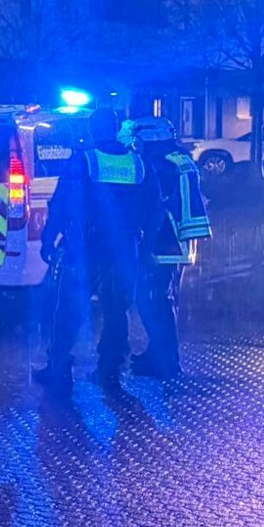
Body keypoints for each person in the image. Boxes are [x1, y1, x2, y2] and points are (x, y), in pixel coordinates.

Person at [35, 110, 156, 392]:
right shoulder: (138, 163)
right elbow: (154, 210)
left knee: (69, 307)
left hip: (86, 248)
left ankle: (59, 370)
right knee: (117, 311)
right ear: (115, 129)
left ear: (92, 129)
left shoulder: (84, 160)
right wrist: (145, 247)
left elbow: (63, 202)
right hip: (124, 250)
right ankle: (110, 372)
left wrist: (49, 239)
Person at [125, 116, 210, 378]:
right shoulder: (180, 159)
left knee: (150, 300)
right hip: (179, 241)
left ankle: (166, 361)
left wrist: (147, 247)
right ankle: (159, 355)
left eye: (138, 139)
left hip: (163, 240)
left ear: (149, 138)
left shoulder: (159, 164)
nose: (135, 145)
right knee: (163, 299)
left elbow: (155, 208)